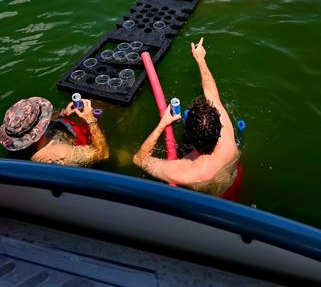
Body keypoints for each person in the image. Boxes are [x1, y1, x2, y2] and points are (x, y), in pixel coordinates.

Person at [133, 38, 240, 196]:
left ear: (188, 134)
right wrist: (201, 59)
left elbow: (139, 160)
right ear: (219, 128)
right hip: (231, 180)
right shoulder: (227, 141)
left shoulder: (187, 171)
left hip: (205, 195)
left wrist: (162, 124)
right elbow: (212, 94)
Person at [0, 97, 109, 167]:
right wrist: (91, 120)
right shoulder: (60, 154)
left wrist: (63, 113)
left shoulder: (14, 149)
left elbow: (45, 120)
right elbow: (103, 154)